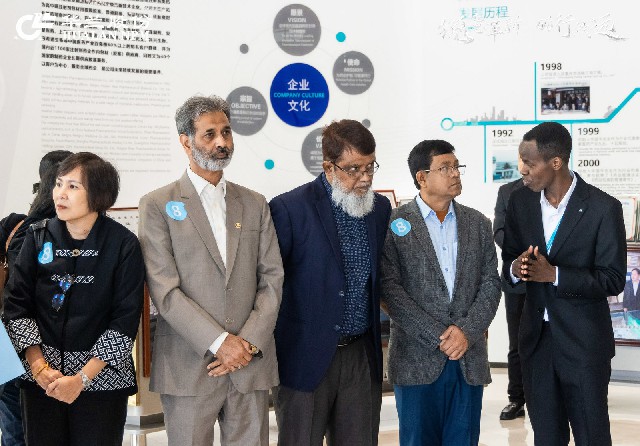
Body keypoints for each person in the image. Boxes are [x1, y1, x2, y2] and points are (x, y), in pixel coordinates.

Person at [138, 95, 283, 446]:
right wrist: (220, 343)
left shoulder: (254, 203)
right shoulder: (157, 204)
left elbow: (272, 278)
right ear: (186, 141)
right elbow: (164, 291)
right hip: (189, 367)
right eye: (210, 134)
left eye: (226, 132)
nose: (222, 142)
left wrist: (245, 344)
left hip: (248, 364)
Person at [3, 152, 145, 445]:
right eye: (58, 184)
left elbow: (125, 318)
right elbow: (17, 306)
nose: (60, 194)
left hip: (102, 382)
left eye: (72, 186)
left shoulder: (123, 244)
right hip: (43, 381)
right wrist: (39, 367)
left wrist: (82, 379)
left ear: (98, 194)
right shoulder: (38, 236)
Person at [502, 121, 627, 446]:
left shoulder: (603, 208)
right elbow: (510, 260)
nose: (522, 170)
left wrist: (555, 274)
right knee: (546, 437)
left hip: (584, 344)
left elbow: (613, 278)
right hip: (536, 343)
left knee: (591, 436)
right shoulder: (520, 202)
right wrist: (516, 267)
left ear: (556, 162)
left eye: (529, 163)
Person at [269, 119, 391, 446]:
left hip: (360, 356)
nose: (365, 178)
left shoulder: (379, 209)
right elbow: (269, 285)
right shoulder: (289, 209)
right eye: (353, 169)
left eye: (370, 167)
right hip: (304, 356)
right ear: (328, 167)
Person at [380, 139, 501, 446]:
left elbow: (490, 283)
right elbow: (390, 289)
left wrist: (466, 333)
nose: (455, 173)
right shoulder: (395, 224)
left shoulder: (478, 223)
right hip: (416, 359)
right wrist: (439, 336)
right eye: (445, 168)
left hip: (467, 358)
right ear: (421, 177)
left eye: (456, 166)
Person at [0, 150, 72, 446]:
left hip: (7, 340)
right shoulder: (72, 230)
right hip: (49, 343)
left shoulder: (13, 225)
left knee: (13, 429)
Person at [493, 177, 527, 420]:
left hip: (551, 275)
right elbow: (499, 231)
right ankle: (516, 398)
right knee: (517, 342)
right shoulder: (507, 191)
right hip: (517, 277)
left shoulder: (555, 187)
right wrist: (525, 253)